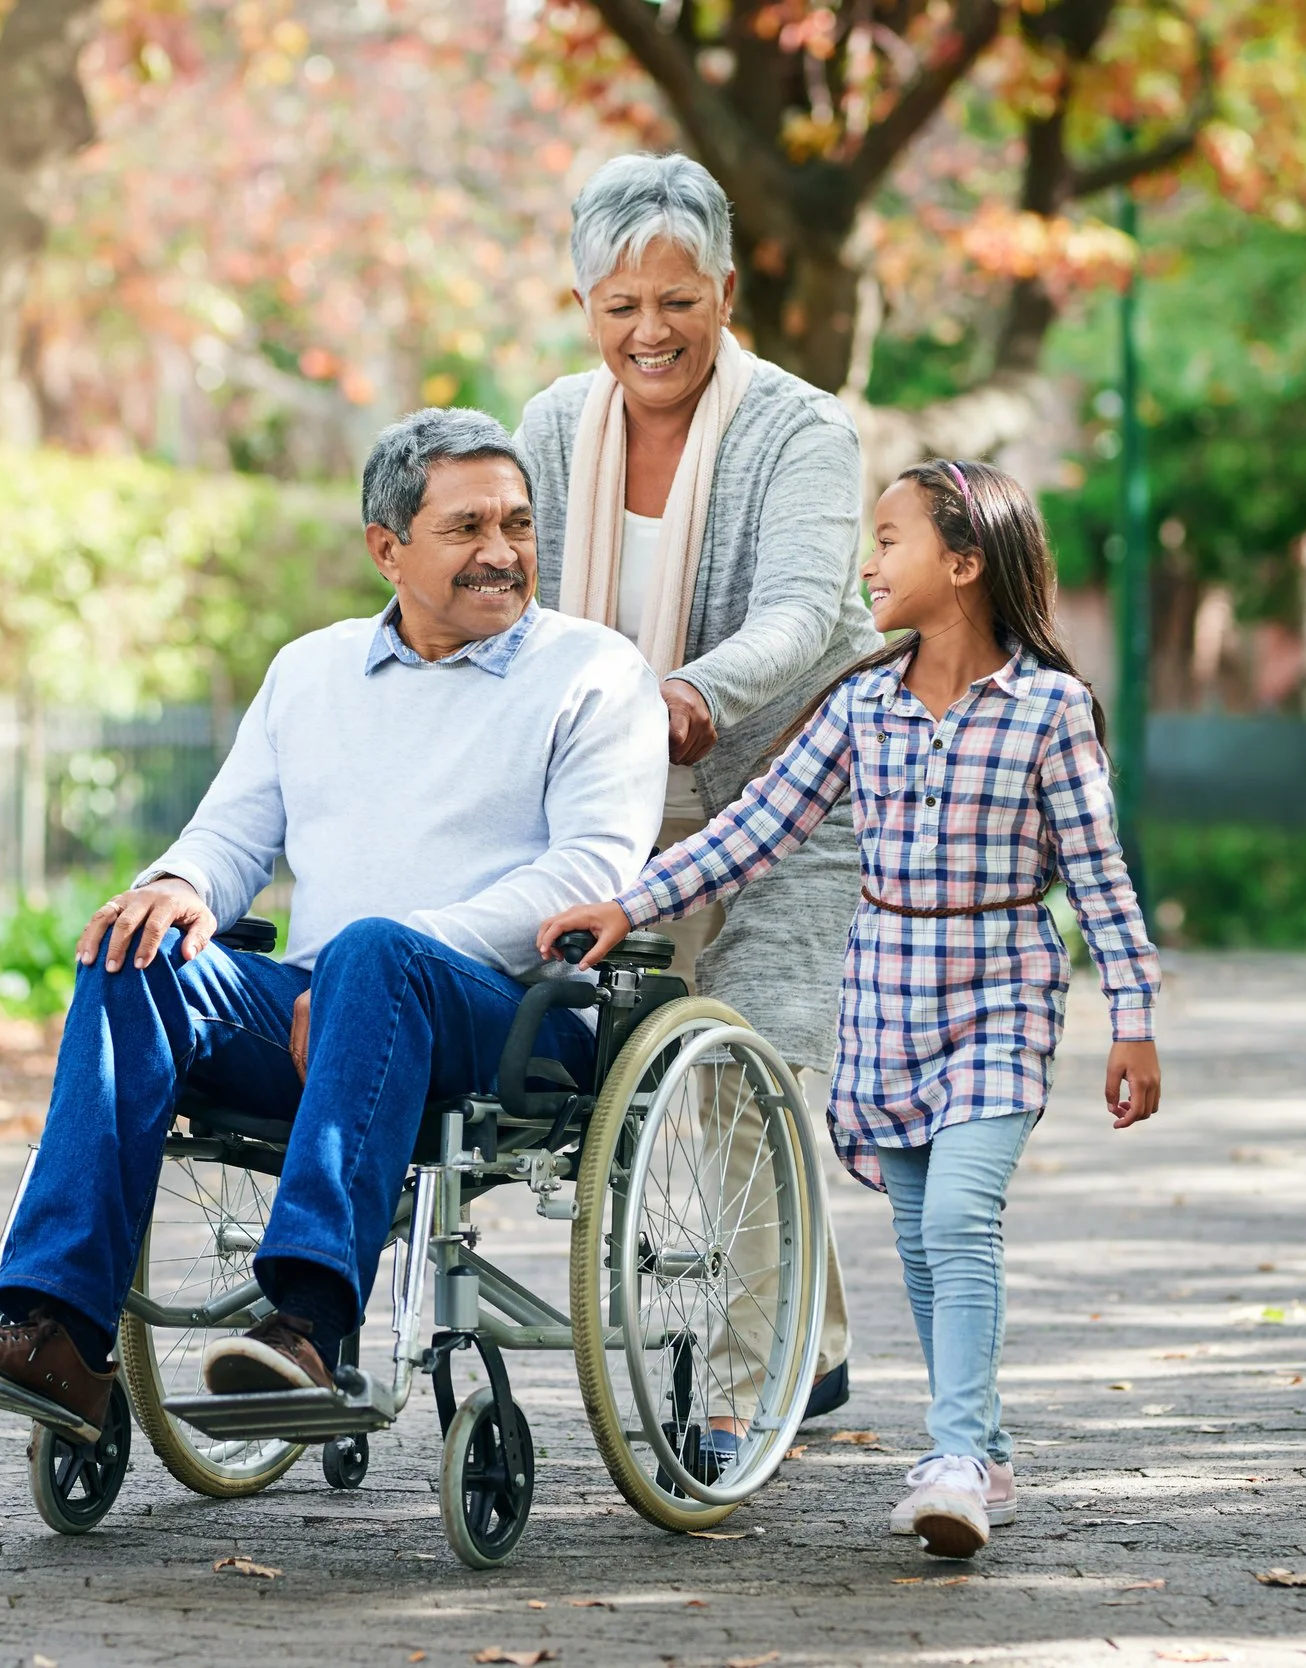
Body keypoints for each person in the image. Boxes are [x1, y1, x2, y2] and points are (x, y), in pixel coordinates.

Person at [0, 408, 667, 1436]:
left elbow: (588, 875)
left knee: (372, 952)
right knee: (136, 953)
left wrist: (388, 958)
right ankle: (52, 1331)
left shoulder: (595, 672)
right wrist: (176, 888)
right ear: (385, 549)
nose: (502, 552)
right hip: (322, 1008)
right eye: (466, 528)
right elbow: (228, 839)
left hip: (506, 1022)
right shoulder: (310, 671)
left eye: (517, 526)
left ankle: (306, 1326)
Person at [538, 458, 1162, 1560]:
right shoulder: (860, 704)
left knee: (963, 1218)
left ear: (963, 565)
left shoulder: (1050, 710)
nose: (866, 562)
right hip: (882, 998)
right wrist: (625, 903)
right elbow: (754, 831)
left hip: (999, 997)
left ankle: (956, 1457)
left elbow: (1098, 874)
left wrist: (1132, 1013)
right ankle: (987, 1449)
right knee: (923, 1240)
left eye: (889, 539)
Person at [513, 151, 876, 1439]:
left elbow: (798, 613)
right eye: (621, 308)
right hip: (619, 810)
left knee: (744, 1077)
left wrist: (690, 693)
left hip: (793, 806)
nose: (650, 332)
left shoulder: (801, 430)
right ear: (583, 309)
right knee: (659, 1088)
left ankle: (732, 1402)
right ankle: (802, 1346)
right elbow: (516, 596)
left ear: (725, 290)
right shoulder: (553, 428)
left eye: (677, 301)